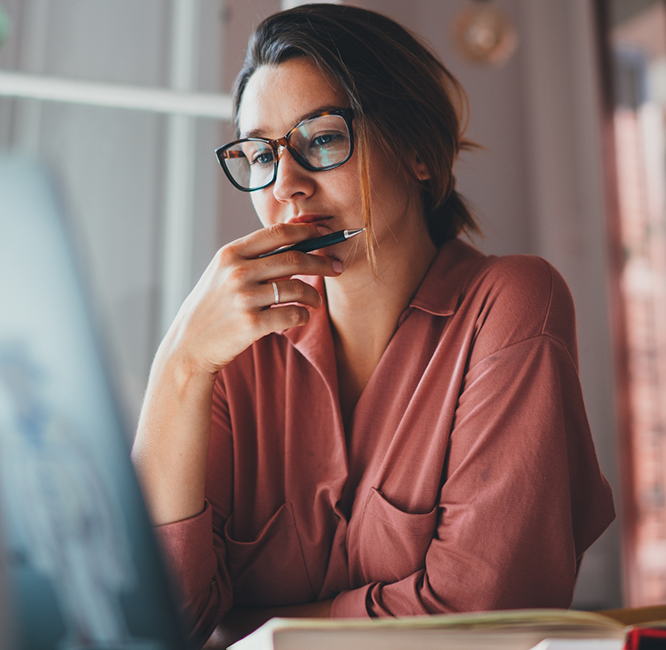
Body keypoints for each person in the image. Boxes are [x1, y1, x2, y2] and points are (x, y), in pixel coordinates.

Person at [131, 5, 615, 645]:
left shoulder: (511, 304)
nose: (288, 188)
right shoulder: (231, 350)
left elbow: (482, 617)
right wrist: (181, 365)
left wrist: (251, 630)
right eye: (260, 155)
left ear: (417, 149)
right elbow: (155, 624)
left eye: (323, 138)